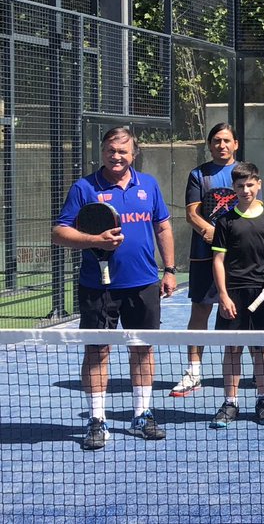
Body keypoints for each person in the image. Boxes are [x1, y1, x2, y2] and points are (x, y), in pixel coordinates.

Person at [52, 126, 174, 450]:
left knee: (143, 349)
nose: (116, 156)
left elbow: (163, 226)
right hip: (97, 287)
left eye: (123, 151)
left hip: (144, 284)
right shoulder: (84, 188)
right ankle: (97, 419)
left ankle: (142, 414)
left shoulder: (148, 185)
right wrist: (96, 240)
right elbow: (60, 232)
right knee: (96, 351)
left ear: (133, 154)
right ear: (102, 152)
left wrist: (170, 270)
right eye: (111, 150)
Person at [173, 123, 251, 397]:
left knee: (247, 312)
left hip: (241, 259)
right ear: (209, 144)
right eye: (216, 141)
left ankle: (261, 372)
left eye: (226, 140)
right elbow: (192, 214)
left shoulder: (246, 172)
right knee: (200, 312)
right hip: (204, 256)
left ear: (236, 144)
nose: (221, 145)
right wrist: (216, 235)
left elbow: (255, 210)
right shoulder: (199, 175)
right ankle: (193, 372)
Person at [209, 162, 264, 429]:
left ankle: (263, 400)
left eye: (250, 184)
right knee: (233, 350)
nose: (245, 190)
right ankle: (230, 402)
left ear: (259, 184)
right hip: (234, 294)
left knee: (262, 350)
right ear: (234, 188)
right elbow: (218, 260)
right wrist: (223, 295)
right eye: (240, 186)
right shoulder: (225, 221)